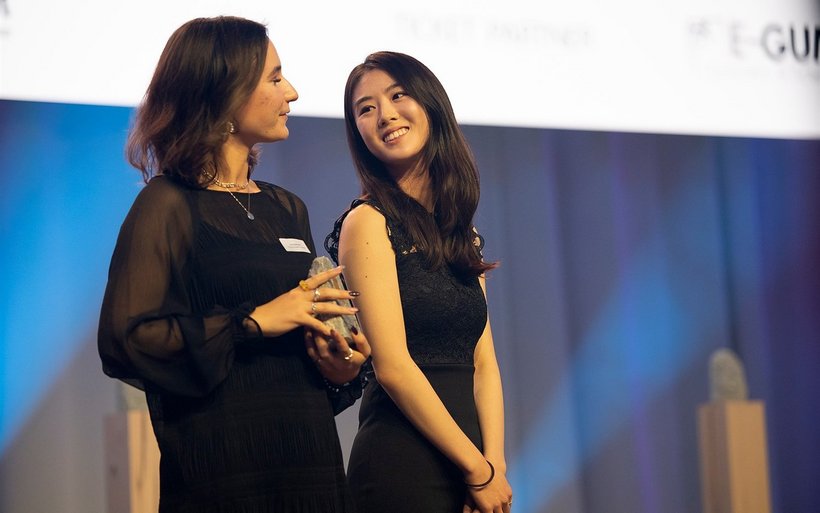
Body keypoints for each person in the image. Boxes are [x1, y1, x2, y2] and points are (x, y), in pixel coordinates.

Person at [97, 16, 370, 513]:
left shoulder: (287, 208)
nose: (292, 92)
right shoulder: (168, 203)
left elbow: (303, 355)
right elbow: (127, 340)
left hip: (308, 461)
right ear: (224, 93)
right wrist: (252, 323)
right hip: (224, 472)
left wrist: (340, 366)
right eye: (274, 78)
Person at [325, 51, 513, 513]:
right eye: (366, 108)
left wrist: (494, 464)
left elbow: (484, 364)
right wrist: (478, 470)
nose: (385, 115)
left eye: (398, 96)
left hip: (473, 467)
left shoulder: (460, 230)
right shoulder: (367, 222)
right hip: (403, 465)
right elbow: (392, 366)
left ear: (430, 103)